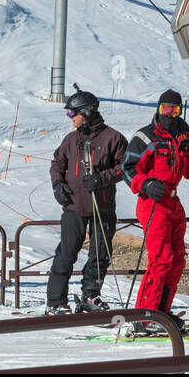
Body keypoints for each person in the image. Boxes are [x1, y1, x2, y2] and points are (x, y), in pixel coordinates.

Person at [117, 90, 189, 336]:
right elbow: (128, 167)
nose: (170, 114)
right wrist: (146, 184)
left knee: (177, 259)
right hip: (152, 201)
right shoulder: (146, 136)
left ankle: (161, 311)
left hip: (173, 201)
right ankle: (144, 315)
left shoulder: (185, 137)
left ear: (180, 110)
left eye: (174, 109)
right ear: (159, 109)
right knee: (161, 258)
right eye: (166, 109)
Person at [46, 89, 128, 315]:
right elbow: (57, 164)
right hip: (73, 206)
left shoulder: (113, 138)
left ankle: (90, 295)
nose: (70, 117)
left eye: (73, 112)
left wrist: (101, 178)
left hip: (101, 206)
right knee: (66, 253)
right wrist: (58, 185)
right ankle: (55, 301)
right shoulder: (71, 140)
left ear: (88, 112)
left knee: (100, 254)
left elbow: (125, 167)